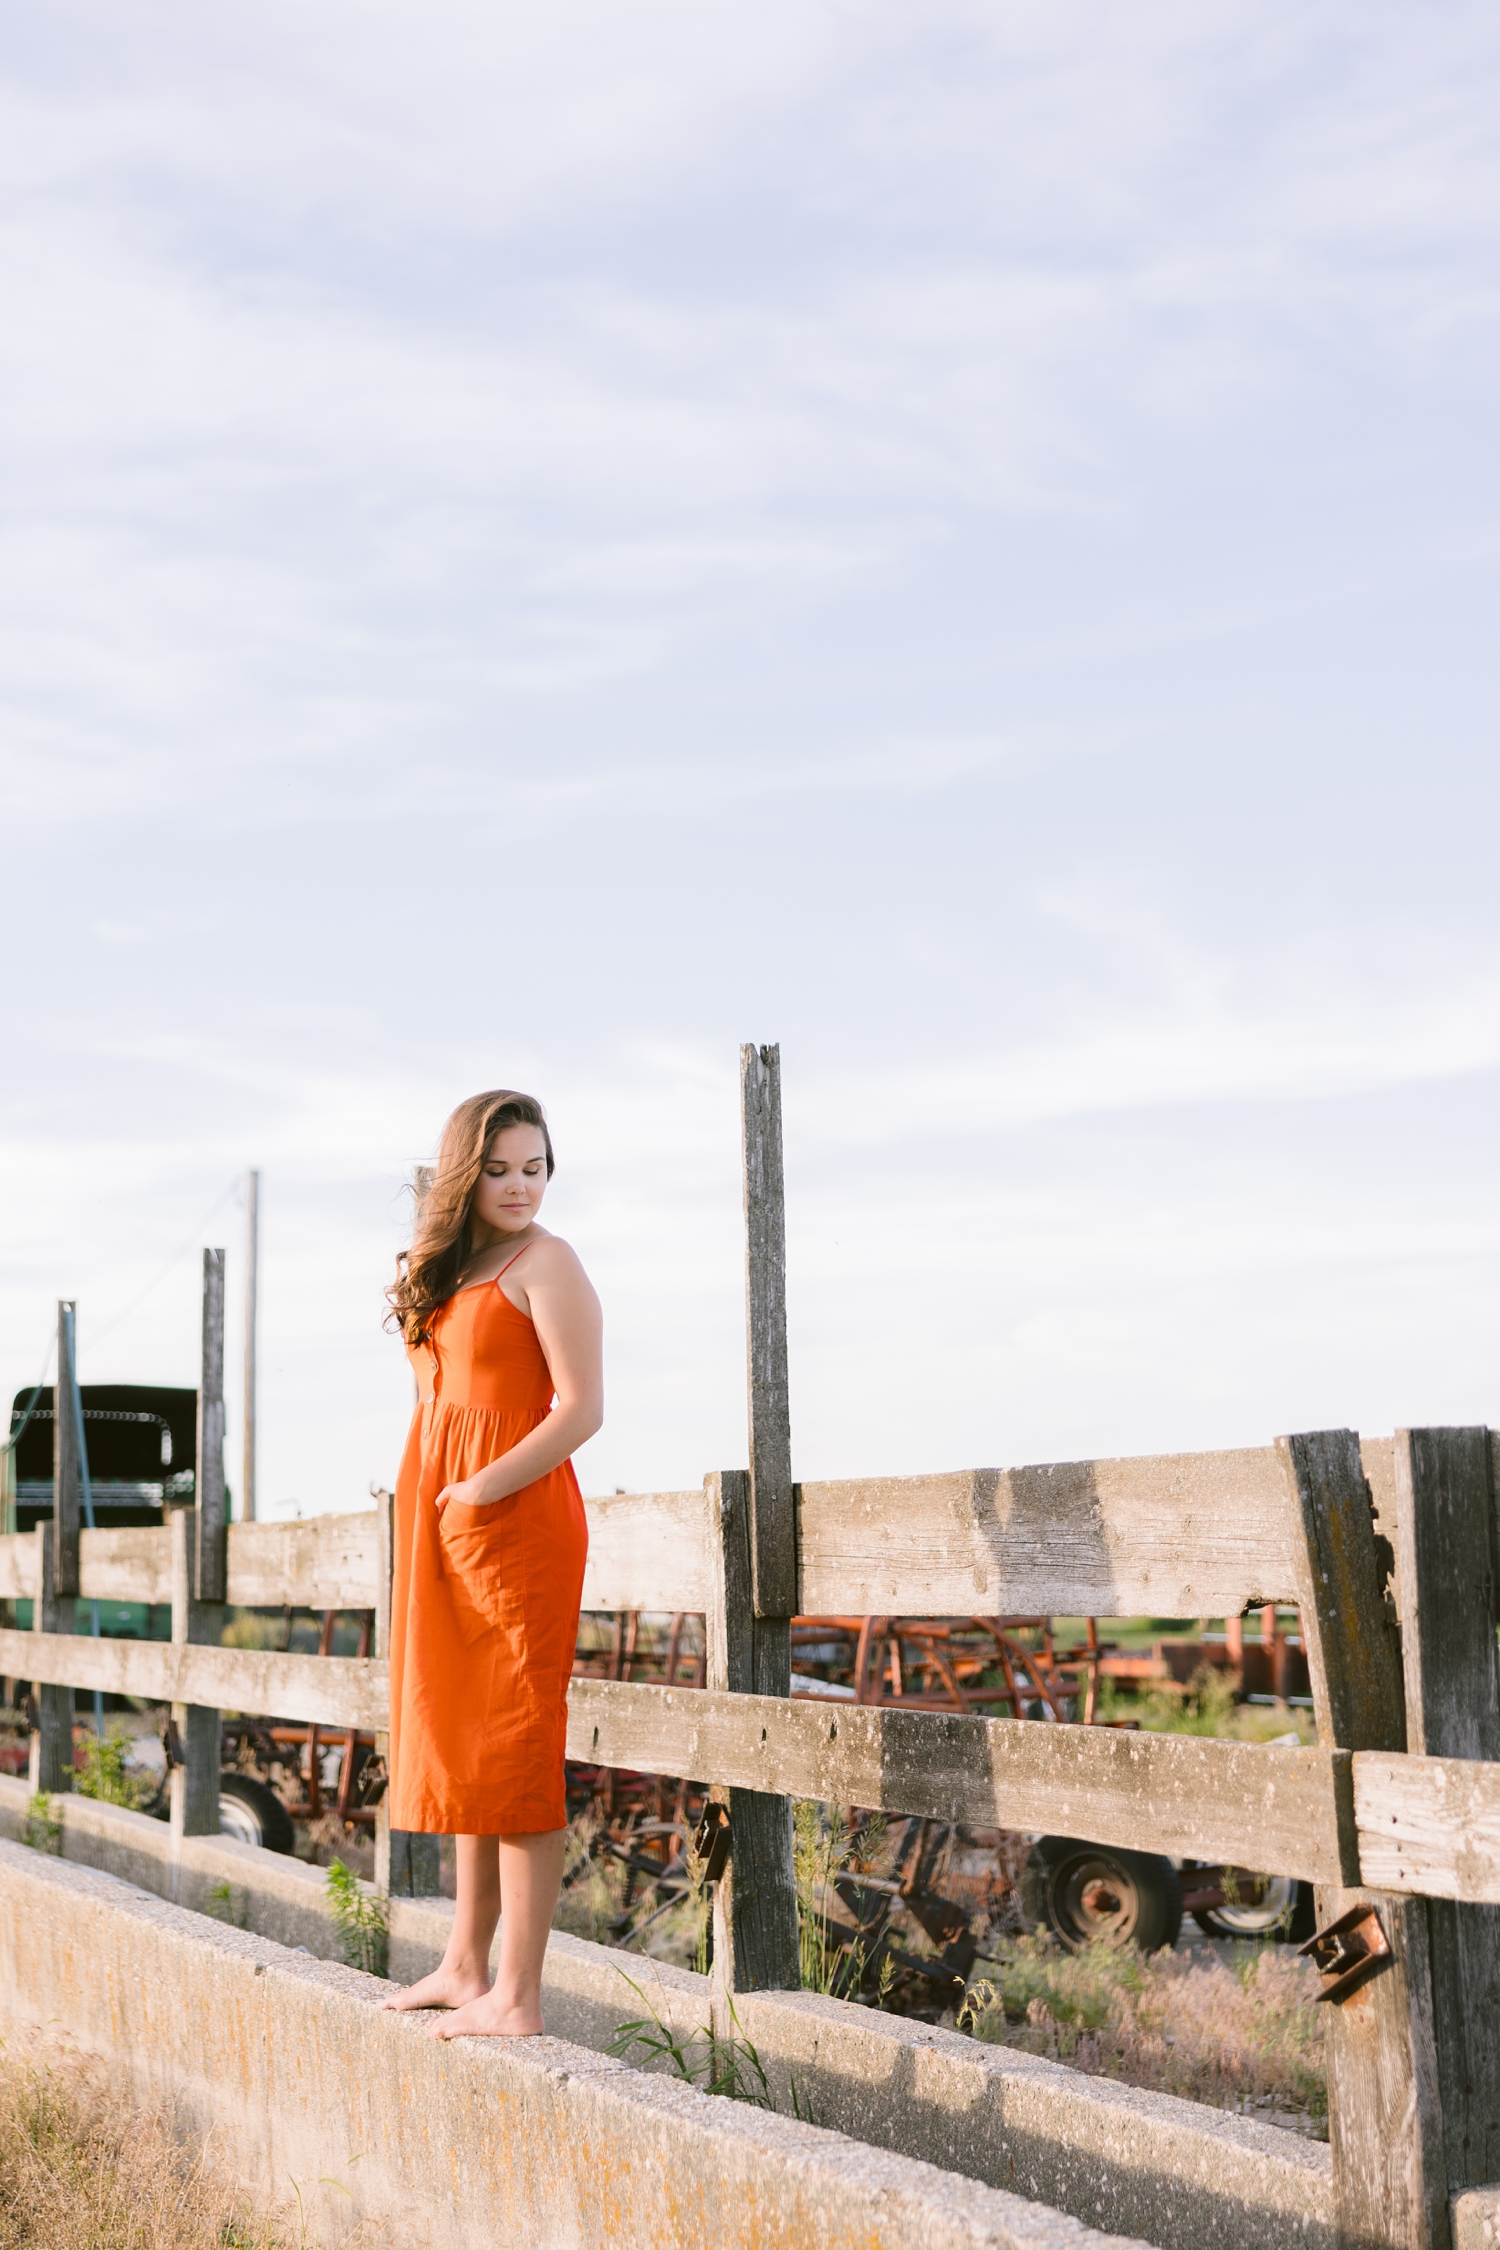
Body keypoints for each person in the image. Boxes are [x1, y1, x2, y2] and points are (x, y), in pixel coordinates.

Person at [378, 1088, 602, 2037]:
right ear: (465, 1173)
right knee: (464, 1735)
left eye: (536, 1167)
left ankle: (517, 1995)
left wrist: (478, 1490)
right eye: (502, 1168)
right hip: (444, 1522)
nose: (521, 1186)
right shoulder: (457, 1266)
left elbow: (581, 1410)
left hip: (512, 1522)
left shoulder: (549, 1261)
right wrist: (444, 1499)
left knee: (513, 1745)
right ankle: (464, 1965)